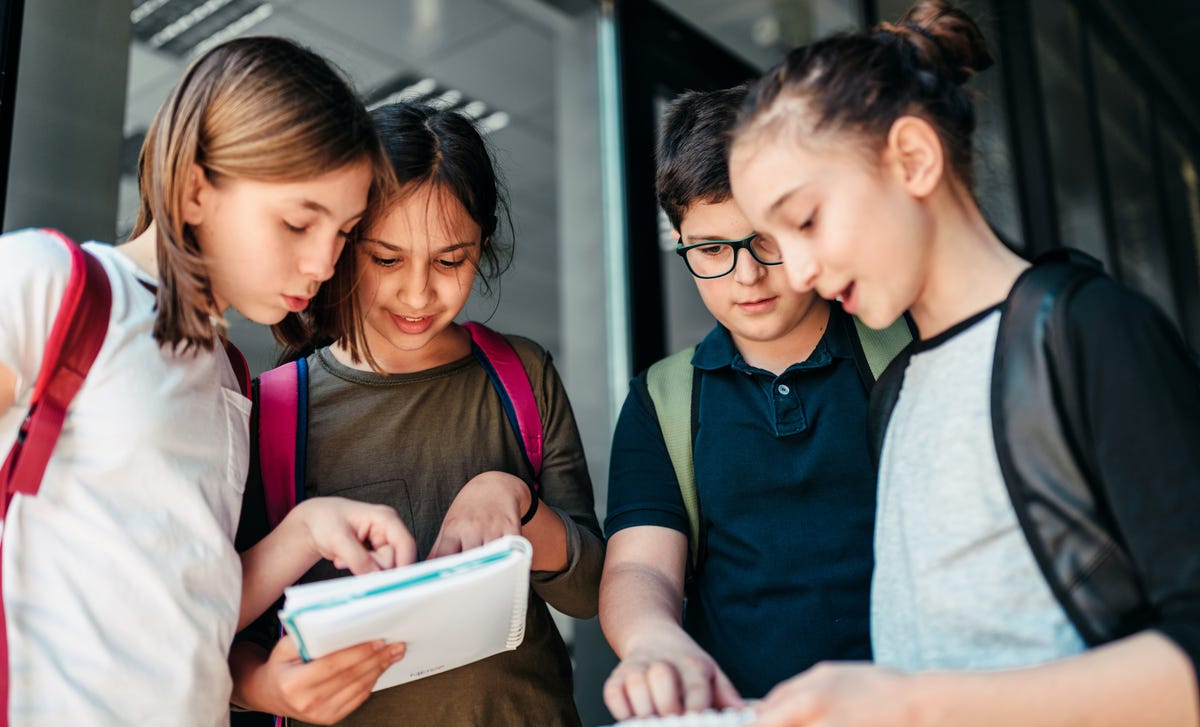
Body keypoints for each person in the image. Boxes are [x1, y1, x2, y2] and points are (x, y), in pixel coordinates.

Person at [728, 2, 1200, 725]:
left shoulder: (1087, 333)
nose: (793, 271)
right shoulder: (893, 397)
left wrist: (916, 706)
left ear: (914, 158)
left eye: (807, 220)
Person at [0, 36, 420, 725]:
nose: (321, 262)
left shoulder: (227, 375)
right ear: (196, 190)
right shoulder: (54, 287)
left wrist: (306, 532)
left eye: (342, 233)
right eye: (297, 222)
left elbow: (187, 598)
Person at [230, 101, 604, 727]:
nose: (418, 292)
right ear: (342, 246)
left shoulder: (521, 376)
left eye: (451, 261)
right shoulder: (270, 411)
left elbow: (591, 590)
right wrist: (265, 688)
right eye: (386, 259)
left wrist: (514, 499)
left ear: (483, 246)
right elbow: (209, 622)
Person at [600, 85, 898, 720]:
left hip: (907, 704)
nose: (746, 276)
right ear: (680, 244)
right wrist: (653, 641)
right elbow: (641, 569)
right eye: (710, 250)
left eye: (765, 240)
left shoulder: (902, 349)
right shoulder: (663, 400)